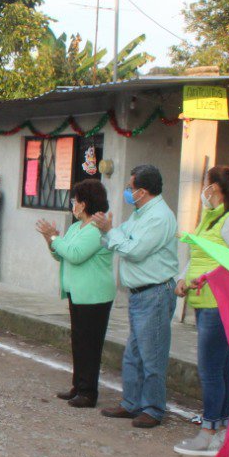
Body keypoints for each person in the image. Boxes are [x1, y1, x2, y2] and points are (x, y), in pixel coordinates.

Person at [173, 166, 229, 456]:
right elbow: (200, 255)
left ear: (215, 189)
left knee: (210, 371)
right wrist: (183, 278)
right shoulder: (212, 217)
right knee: (220, 369)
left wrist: (209, 278)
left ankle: (209, 432)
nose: (203, 191)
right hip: (204, 302)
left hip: (219, 304)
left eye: (206, 185)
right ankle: (222, 429)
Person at [92, 164, 180, 428]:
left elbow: (134, 250)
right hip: (140, 294)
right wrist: (106, 231)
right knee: (134, 354)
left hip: (155, 292)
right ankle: (131, 403)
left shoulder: (159, 217)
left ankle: (153, 409)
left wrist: (111, 232)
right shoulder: (140, 214)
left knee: (152, 355)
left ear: (143, 191)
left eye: (131, 188)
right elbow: (119, 239)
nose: (128, 192)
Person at [35, 179, 114, 408]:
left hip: (94, 295)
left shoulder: (95, 229)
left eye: (76, 200)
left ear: (84, 203)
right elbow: (60, 254)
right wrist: (49, 238)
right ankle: (78, 386)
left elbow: (75, 254)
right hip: (78, 292)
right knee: (79, 342)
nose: (73, 204)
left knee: (90, 344)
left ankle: (88, 392)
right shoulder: (75, 227)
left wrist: (55, 238)